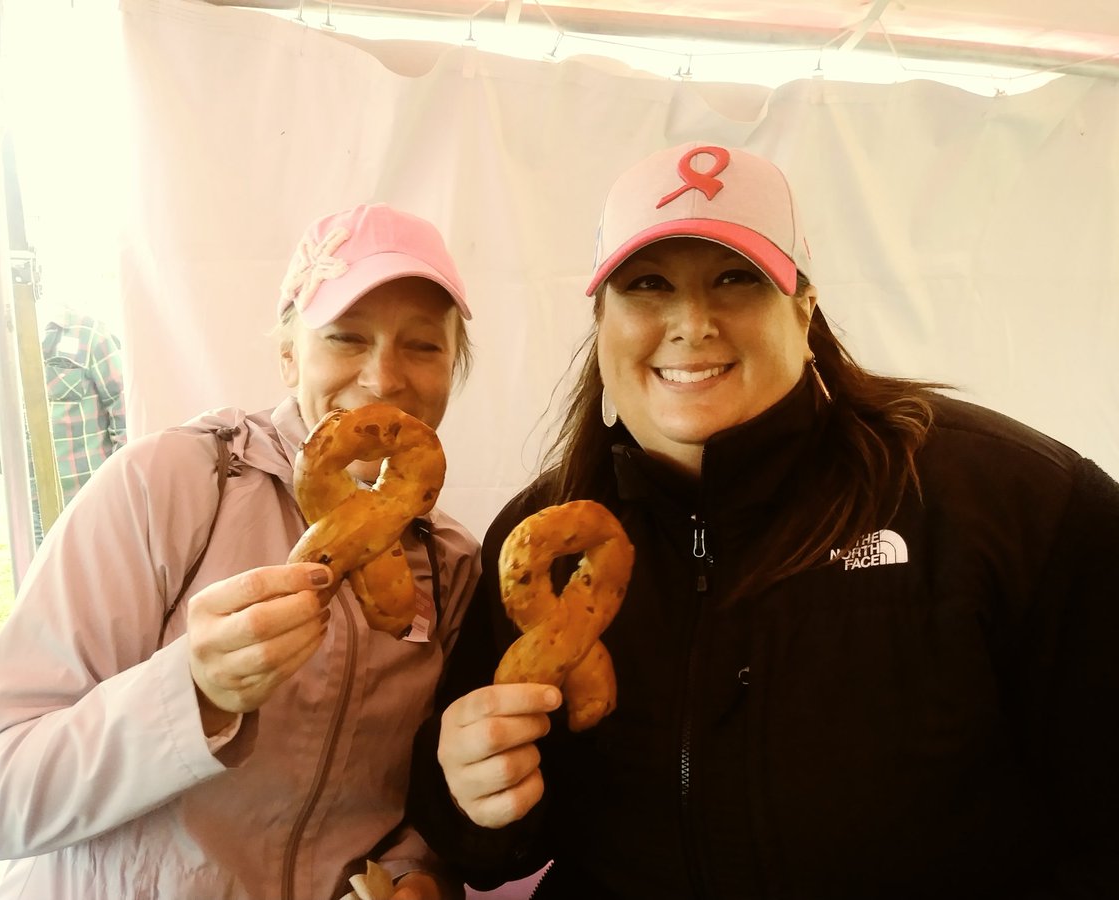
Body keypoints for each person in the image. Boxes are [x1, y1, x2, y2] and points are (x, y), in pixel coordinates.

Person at [406, 143, 1119, 899]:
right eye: (647, 285)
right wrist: (466, 797)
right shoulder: (540, 543)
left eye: (736, 279)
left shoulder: (1014, 501)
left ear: (804, 311)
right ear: (601, 322)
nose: (692, 323)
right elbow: (488, 855)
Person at [0, 203, 482, 900]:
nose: (384, 379)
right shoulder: (171, 487)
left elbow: (413, 800)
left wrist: (418, 876)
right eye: (347, 338)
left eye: (422, 345)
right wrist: (191, 692)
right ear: (290, 357)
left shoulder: (451, 563)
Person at [28, 295, 128, 544]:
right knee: (37, 576)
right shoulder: (3, 343)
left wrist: (116, 483)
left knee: (95, 577)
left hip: (85, 499)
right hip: (30, 503)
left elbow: (124, 408)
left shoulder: (91, 335)